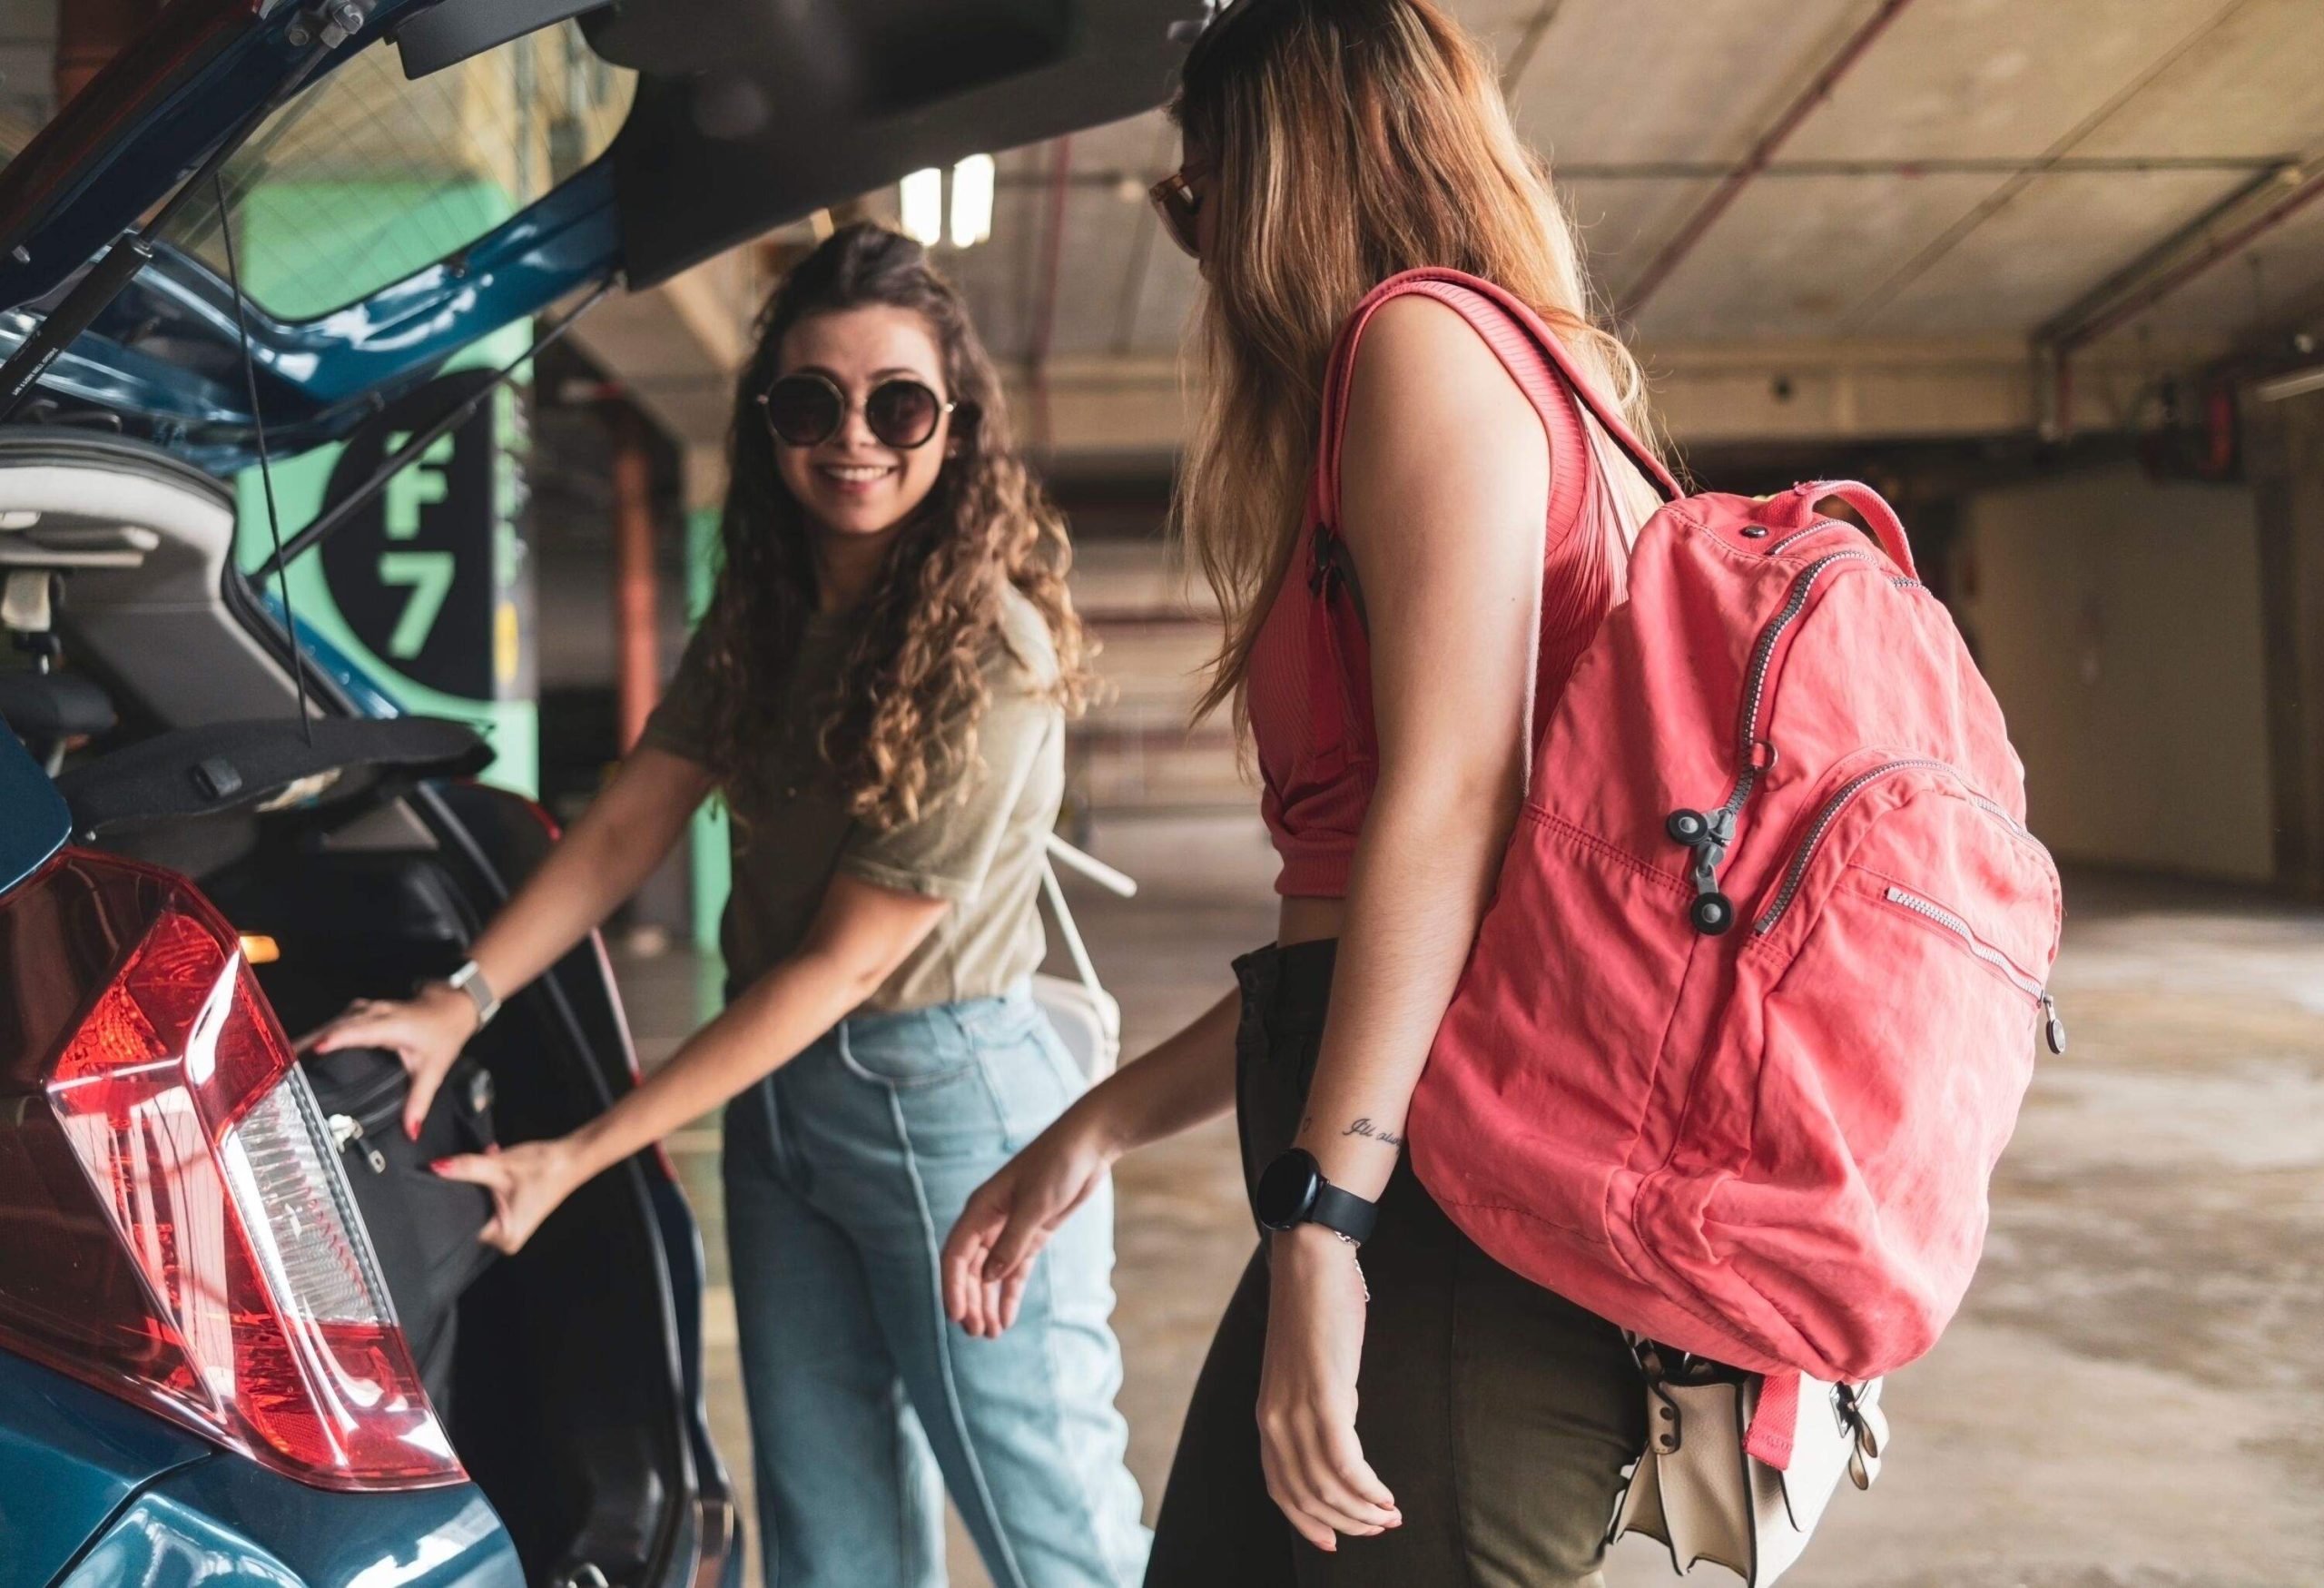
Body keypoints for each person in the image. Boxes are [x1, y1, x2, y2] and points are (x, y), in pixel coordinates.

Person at [940, 4, 1670, 1584]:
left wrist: (1326, 1229)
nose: (1195, 240)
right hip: (1395, 1169)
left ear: (1286, 177)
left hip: (1446, 1221)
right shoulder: (1542, 379)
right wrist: (1102, 1127)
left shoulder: (1422, 342)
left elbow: (1453, 804)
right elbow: (1352, 952)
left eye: (1197, 191)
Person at [310, 223, 1151, 1588]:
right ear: (768, 423)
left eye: (900, 403)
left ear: (955, 426)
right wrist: (456, 1001)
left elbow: (831, 966)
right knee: (834, 1545)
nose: (855, 438)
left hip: (947, 1106)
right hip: (783, 1106)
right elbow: (638, 809)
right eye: (811, 401)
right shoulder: (766, 609)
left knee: (1059, 1541)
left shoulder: (990, 652)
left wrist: (576, 1155)